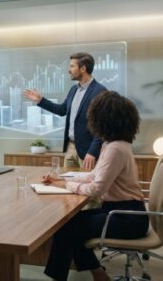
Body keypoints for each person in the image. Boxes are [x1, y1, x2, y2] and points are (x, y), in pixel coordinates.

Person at [42, 91, 149, 281]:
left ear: (103, 119)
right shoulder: (114, 144)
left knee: (67, 228)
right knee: (69, 225)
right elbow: (94, 176)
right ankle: (97, 273)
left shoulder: (115, 148)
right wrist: (61, 181)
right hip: (124, 213)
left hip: (127, 218)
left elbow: (96, 189)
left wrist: (68, 185)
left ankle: (71, 276)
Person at [24, 52, 106, 171]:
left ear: (83, 68)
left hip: (88, 152)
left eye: (72, 66)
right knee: (67, 183)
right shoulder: (74, 90)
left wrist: (93, 152)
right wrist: (41, 100)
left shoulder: (100, 92)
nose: (69, 70)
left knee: (85, 187)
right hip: (71, 148)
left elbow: (102, 128)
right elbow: (62, 110)